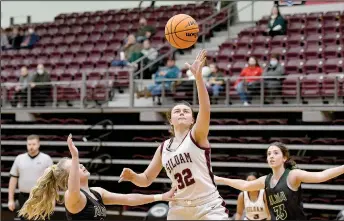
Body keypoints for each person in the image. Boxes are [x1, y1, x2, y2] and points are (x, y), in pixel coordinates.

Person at [119, 50, 229, 220]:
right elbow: (147, 179)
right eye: (177, 111)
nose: (182, 113)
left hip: (208, 205)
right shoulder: (163, 148)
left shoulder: (197, 135)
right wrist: (133, 176)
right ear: (171, 120)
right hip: (179, 207)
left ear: (193, 119)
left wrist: (198, 78)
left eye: (186, 111)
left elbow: (205, 109)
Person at [18, 134, 176, 220]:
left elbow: (128, 199)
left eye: (79, 164)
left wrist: (161, 196)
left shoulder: (96, 192)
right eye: (76, 167)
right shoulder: (72, 196)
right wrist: (74, 156)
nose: (80, 165)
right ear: (69, 177)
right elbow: (73, 186)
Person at [215, 142, 344, 220]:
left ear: (284, 158)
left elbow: (321, 176)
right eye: (269, 154)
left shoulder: (293, 175)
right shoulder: (266, 180)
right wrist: (219, 179)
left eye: (276, 153)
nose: (271, 156)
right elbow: (245, 185)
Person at [8, 135, 53, 219]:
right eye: (29, 144)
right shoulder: (19, 158)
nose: (31, 147)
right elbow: (13, 179)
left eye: (33, 144)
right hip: (23, 197)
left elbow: (52, 181)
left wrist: (52, 199)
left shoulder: (46, 159)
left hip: (41, 197)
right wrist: (10, 200)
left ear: (38, 144)